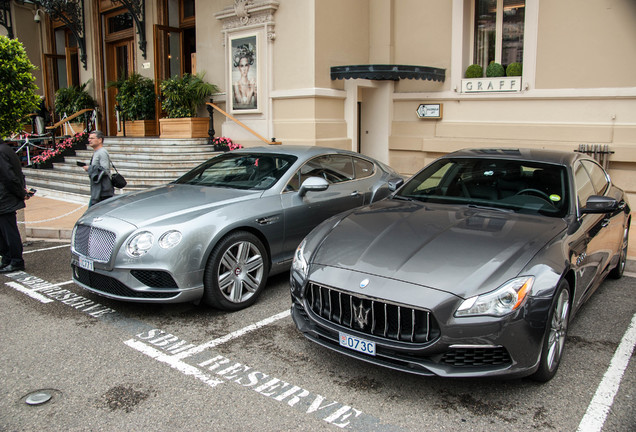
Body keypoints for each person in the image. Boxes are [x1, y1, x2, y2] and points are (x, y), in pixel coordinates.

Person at [0, 139, 30, 273]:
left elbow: (10, 177)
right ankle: (7, 258)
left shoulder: (1, 151)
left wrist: (20, 192)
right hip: (5, 198)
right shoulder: (5, 149)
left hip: (4, 198)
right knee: (3, 232)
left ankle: (16, 260)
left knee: (9, 232)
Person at [83, 130, 114, 206]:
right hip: (97, 191)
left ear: (100, 140)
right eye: (89, 138)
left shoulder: (102, 152)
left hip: (102, 191)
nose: (89, 140)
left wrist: (89, 168)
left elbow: (105, 170)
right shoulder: (97, 152)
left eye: (92, 138)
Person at [232, 43, 257, 109]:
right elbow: (243, 105)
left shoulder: (252, 83)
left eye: (246, 65)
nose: (244, 69)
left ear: (248, 66)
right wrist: (251, 89)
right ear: (238, 68)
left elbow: (256, 104)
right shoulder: (236, 84)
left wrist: (255, 92)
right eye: (242, 66)